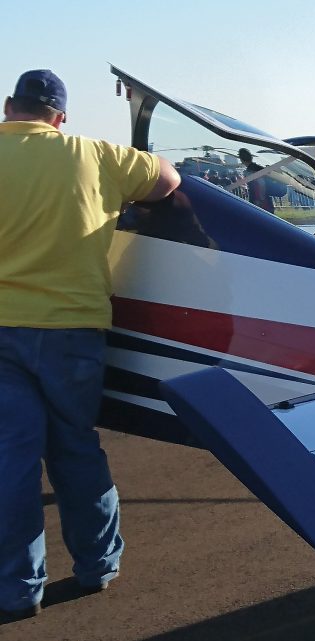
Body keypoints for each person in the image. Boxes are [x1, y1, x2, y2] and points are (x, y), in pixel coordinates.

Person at [0, 69, 180, 622]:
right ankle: (98, 565)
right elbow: (168, 179)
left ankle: (17, 590)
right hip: (73, 329)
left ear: (9, 106)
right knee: (76, 448)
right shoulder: (96, 154)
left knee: (10, 460)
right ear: (59, 117)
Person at [238, 147, 274, 214]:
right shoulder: (257, 167)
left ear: (241, 159)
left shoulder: (251, 170)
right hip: (263, 199)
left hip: (260, 201)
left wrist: (260, 199)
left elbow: (261, 183)